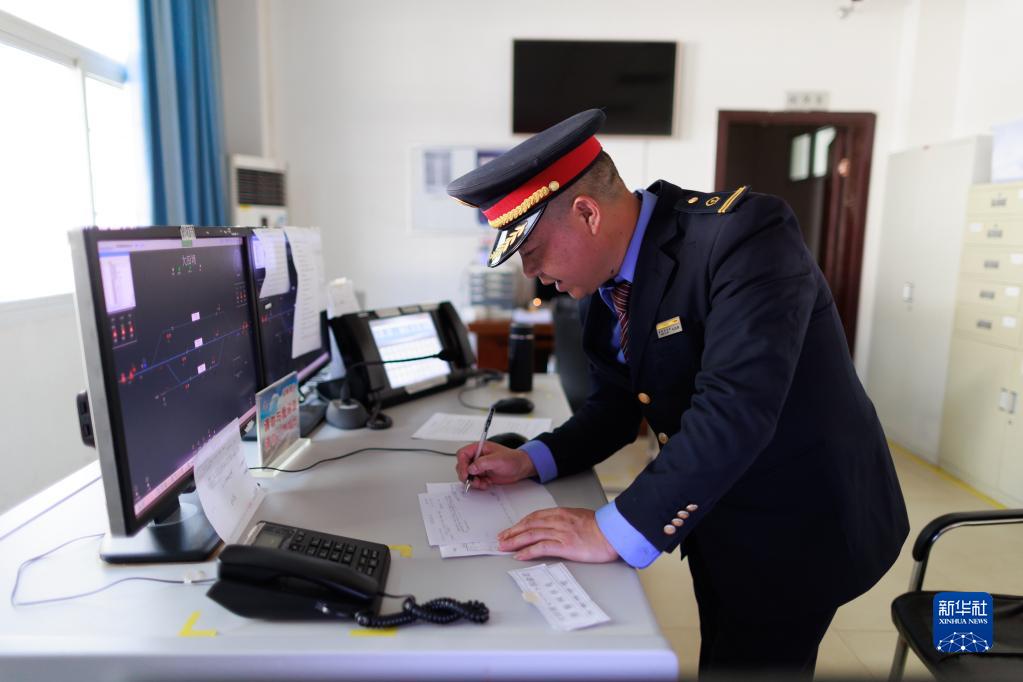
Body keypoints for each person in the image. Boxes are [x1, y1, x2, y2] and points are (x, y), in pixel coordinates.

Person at [446, 109, 909, 678]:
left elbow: (735, 409)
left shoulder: (744, 236)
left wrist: (609, 529)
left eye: (532, 250)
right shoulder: (603, 280)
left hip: (795, 517)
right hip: (713, 506)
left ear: (587, 213)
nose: (532, 273)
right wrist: (532, 458)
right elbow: (617, 406)